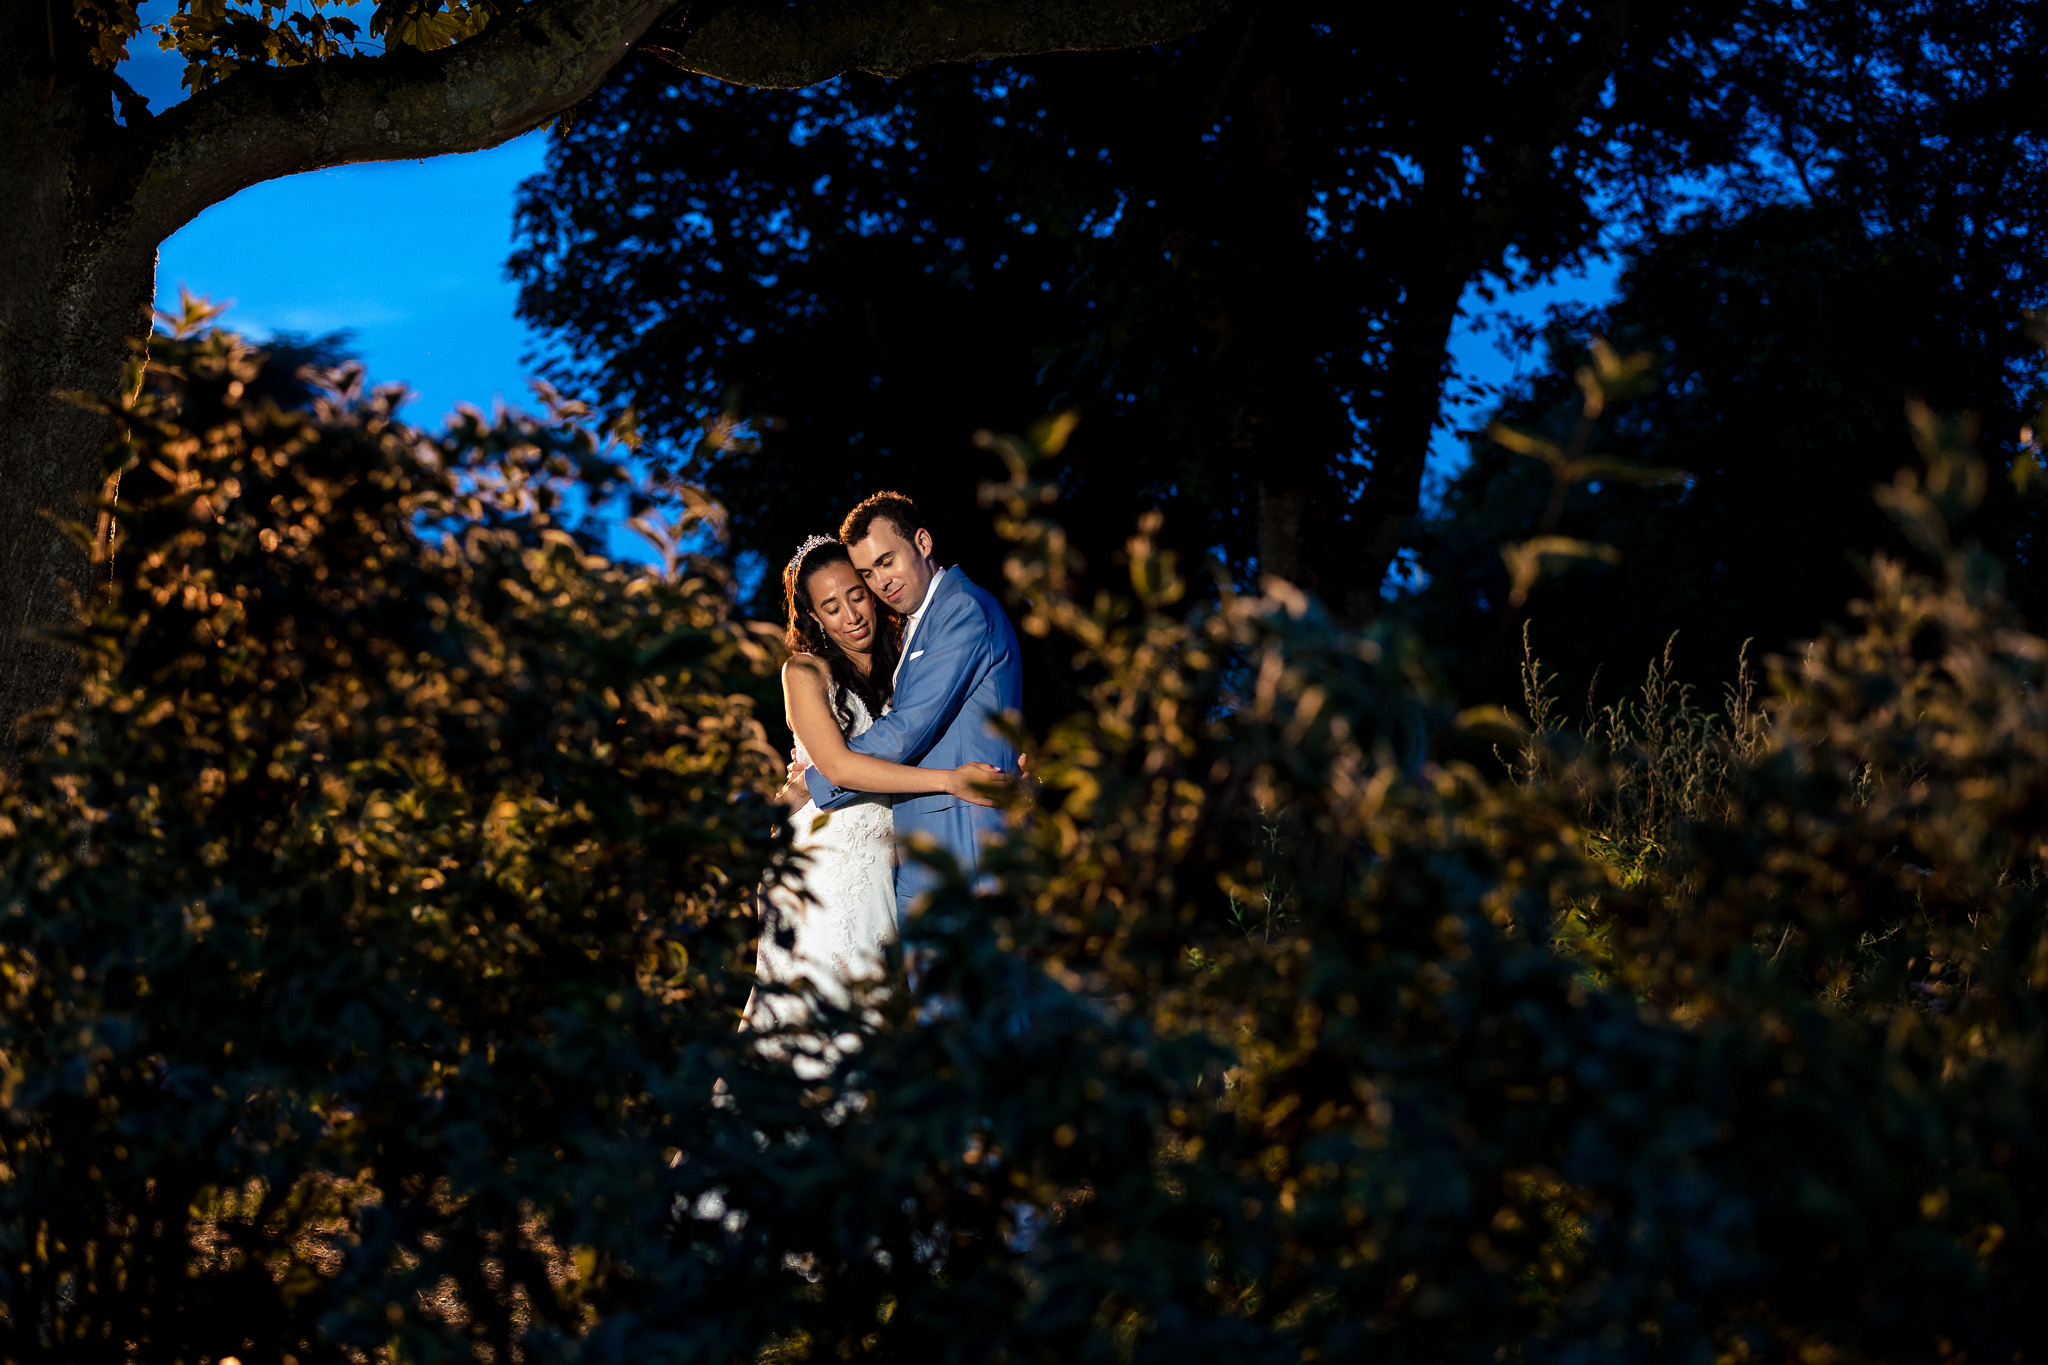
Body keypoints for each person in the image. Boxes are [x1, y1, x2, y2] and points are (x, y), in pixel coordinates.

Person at [744, 535, 1002, 1059]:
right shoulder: (804, 672)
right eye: (830, 607)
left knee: (873, 1021)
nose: (850, 615)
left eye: (856, 595)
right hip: (823, 862)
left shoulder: (904, 663)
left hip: (883, 866)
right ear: (815, 618)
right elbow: (837, 766)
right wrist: (950, 780)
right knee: (810, 1016)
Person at [798, 492, 1024, 920]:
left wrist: (820, 775)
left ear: (922, 543)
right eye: (868, 572)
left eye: (888, 561)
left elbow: (907, 729)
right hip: (923, 853)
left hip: (963, 844)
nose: (881, 582)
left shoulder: (960, 608)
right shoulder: (917, 627)